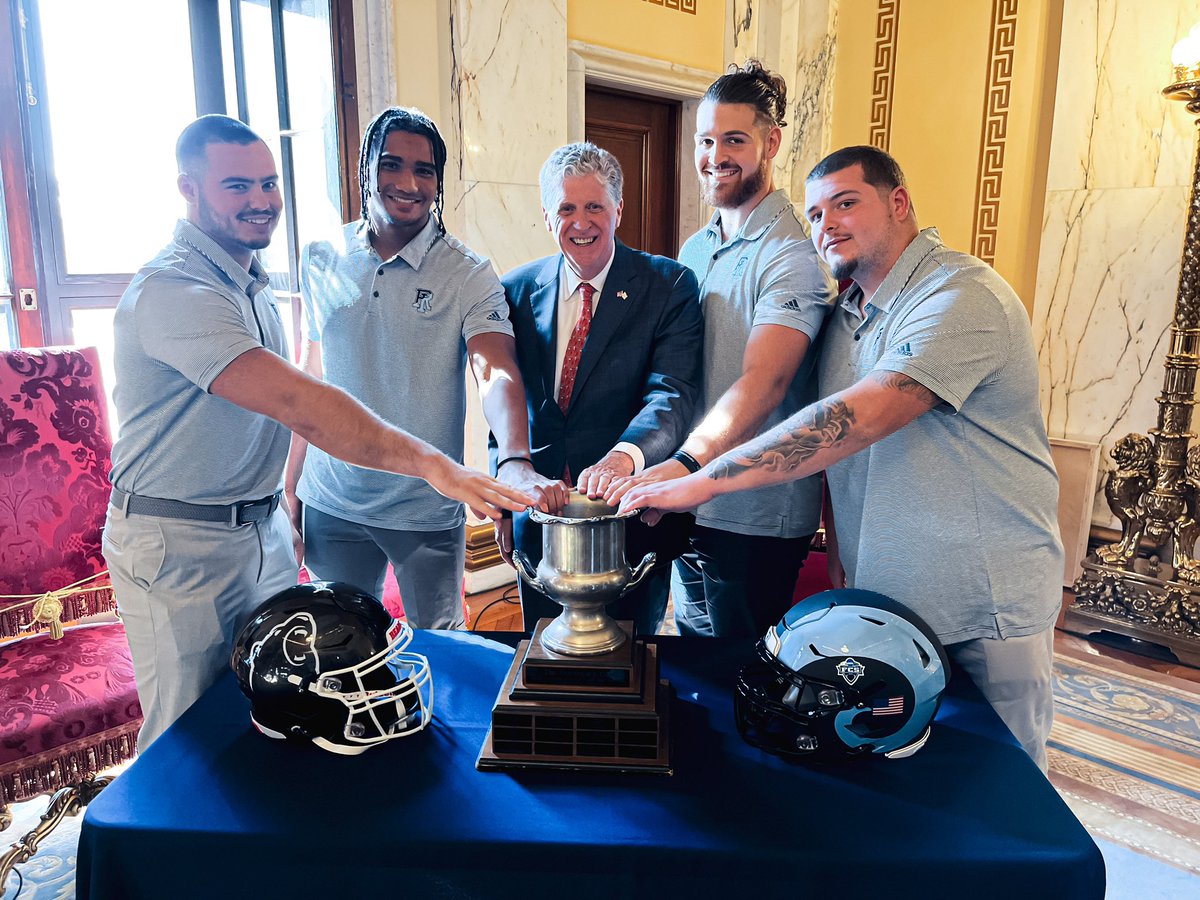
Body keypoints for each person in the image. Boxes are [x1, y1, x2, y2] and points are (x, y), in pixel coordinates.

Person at [619, 145, 1063, 770]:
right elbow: (839, 457)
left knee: (1004, 789)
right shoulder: (847, 313)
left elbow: (857, 420)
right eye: (817, 213)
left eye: (846, 204)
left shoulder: (963, 295)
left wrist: (702, 478)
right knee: (905, 785)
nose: (828, 224)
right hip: (886, 605)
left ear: (900, 203)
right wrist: (840, 556)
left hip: (982, 609)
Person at [103, 114, 532, 748]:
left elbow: (492, 367)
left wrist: (511, 458)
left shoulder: (250, 281)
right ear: (189, 189)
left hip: (287, 529)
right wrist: (315, 487)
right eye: (236, 186)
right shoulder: (181, 289)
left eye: (269, 183)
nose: (259, 200)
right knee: (189, 732)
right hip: (185, 540)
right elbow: (301, 395)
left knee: (302, 695)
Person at [285, 107, 561, 630]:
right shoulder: (321, 256)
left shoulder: (468, 272)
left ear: (438, 180)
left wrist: (514, 459)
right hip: (333, 502)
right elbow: (309, 377)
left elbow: (494, 368)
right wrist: (290, 486)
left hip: (425, 507)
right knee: (340, 649)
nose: (408, 183)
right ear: (366, 168)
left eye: (425, 170)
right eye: (392, 165)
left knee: (440, 652)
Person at [608, 61, 836, 640]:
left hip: (757, 509)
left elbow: (764, 383)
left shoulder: (793, 255)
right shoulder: (695, 246)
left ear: (772, 142)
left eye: (734, 139)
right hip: (691, 500)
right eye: (705, 140)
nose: (715, 155)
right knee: (693, 660)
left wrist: (685, 467)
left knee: (742, 678)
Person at [499, 142, 703, 635]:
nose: (581, 222)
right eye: (566, 208)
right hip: (541, 521)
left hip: (631, 519)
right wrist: (508, 492)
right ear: (548, 217)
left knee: (633, 666)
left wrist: (626, 457)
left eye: (594, 206)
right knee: (545, 658)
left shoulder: (669, 285)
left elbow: (671, 393)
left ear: (618, 210)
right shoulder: (514, 289)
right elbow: (506, 399)